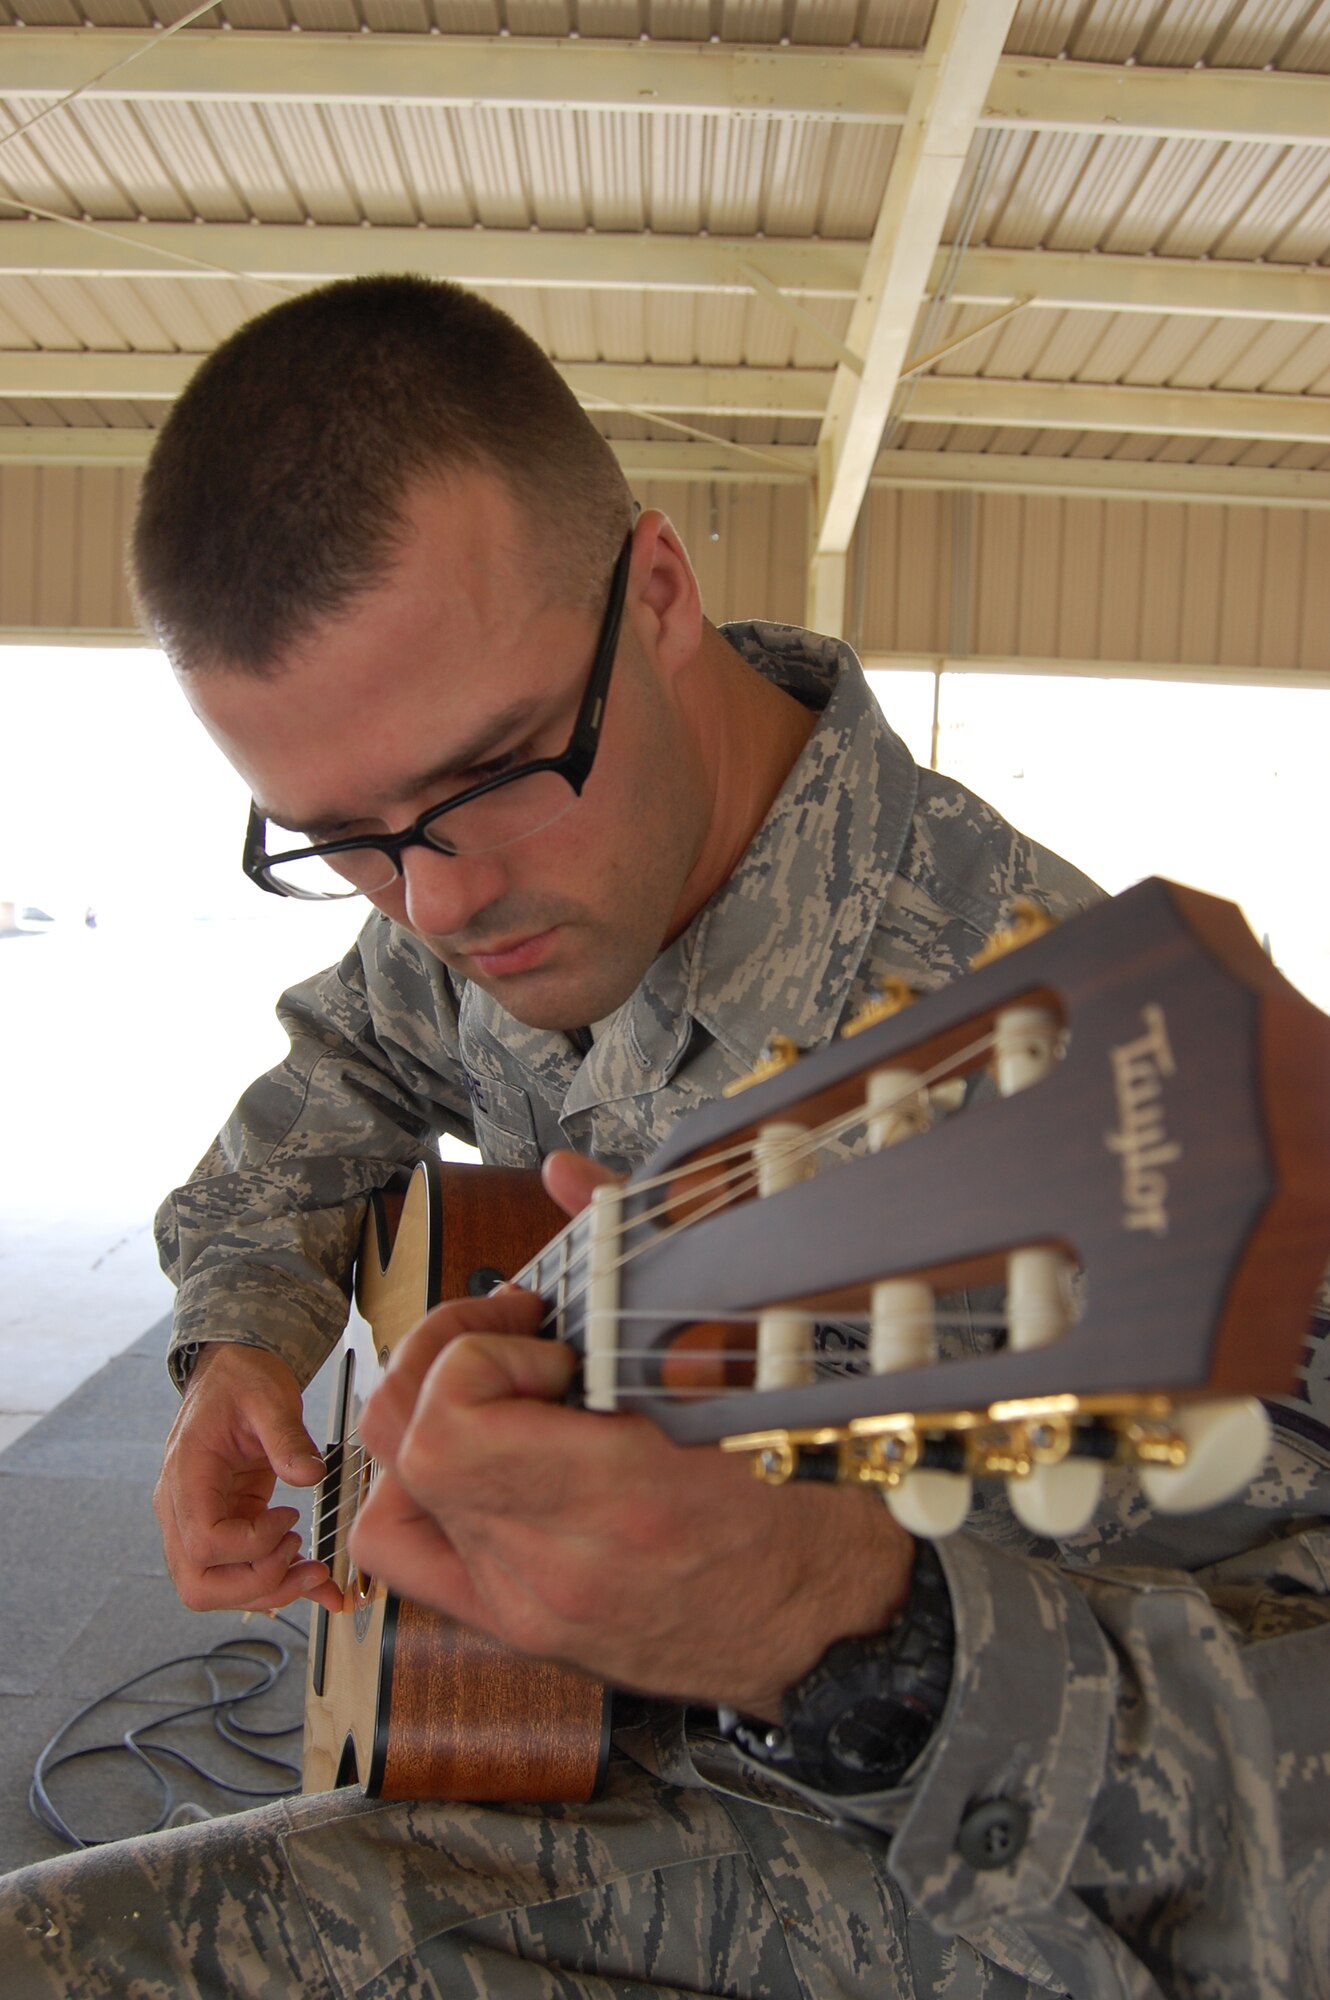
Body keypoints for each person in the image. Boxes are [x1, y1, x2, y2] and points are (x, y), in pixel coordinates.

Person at [3, 276, 1326, 2000]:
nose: (437, 898)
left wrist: (846, 1630)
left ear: (661, 590)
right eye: (339, 836)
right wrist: (240, 1338)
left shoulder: (1078, 1078)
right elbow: (338, 1066)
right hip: (529, 1729)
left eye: (486, 779)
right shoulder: (470, 855)